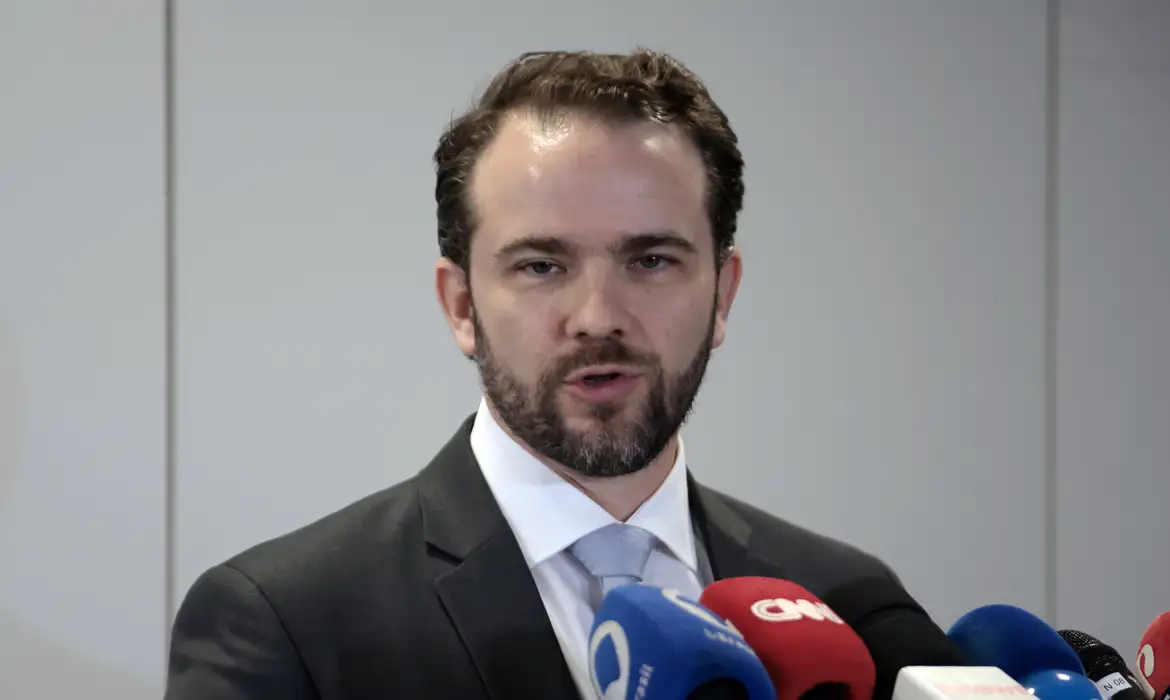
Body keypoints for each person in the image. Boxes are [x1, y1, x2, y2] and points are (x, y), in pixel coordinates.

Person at [165, 48, 923, 700]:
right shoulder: (285, 622)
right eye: (541, 265)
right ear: (462, 306)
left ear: (722, 296)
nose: (597, 316)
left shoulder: (850, 608)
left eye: (651, 260)